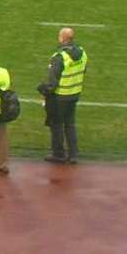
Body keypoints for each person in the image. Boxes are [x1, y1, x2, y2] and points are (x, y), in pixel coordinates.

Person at [38, 27, 87, 164]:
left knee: (57, 125)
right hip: (74, 94)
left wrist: (42, 89)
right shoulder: (82, 53)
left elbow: (52, 84)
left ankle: (58, 154)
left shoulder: (60, 57)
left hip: (60, 97)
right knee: (70, 124)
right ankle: (73, 154)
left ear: (63, 38)